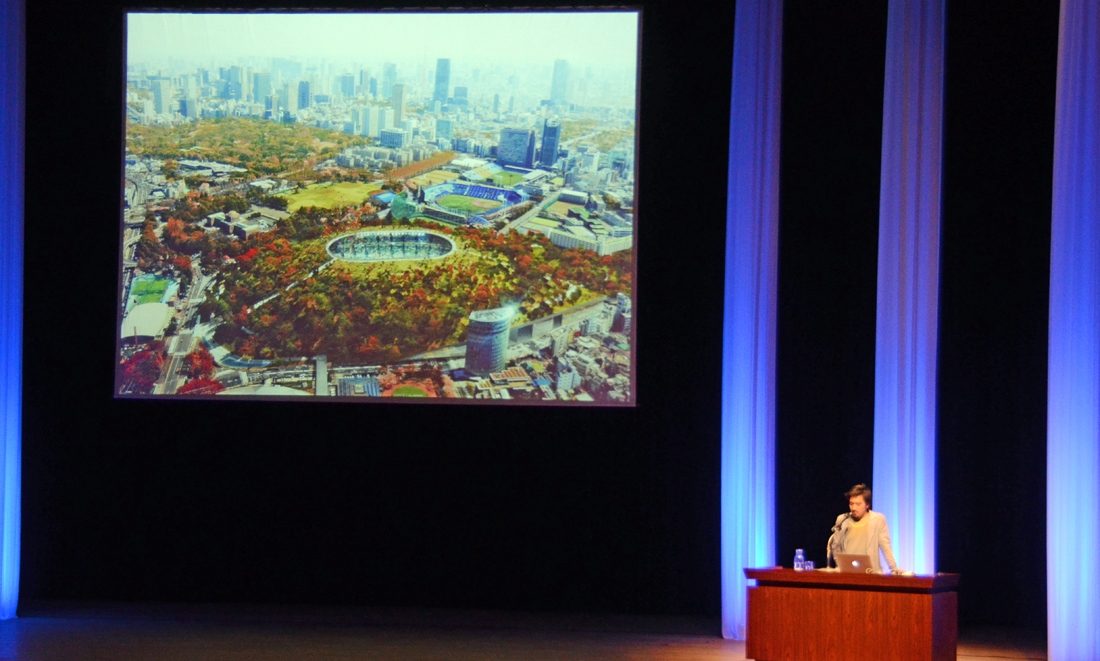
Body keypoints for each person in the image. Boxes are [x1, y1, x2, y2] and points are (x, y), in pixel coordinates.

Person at [828, 483, 898, 574]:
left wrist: (894, 568)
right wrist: (841, 565)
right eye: (851, 504)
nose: (853, 508)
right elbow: (835, 546)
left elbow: (886, 546)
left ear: (867, 505)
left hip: (870, 574)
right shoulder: (842, 519)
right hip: (848, 573)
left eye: (858, 504)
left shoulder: (877, 520)